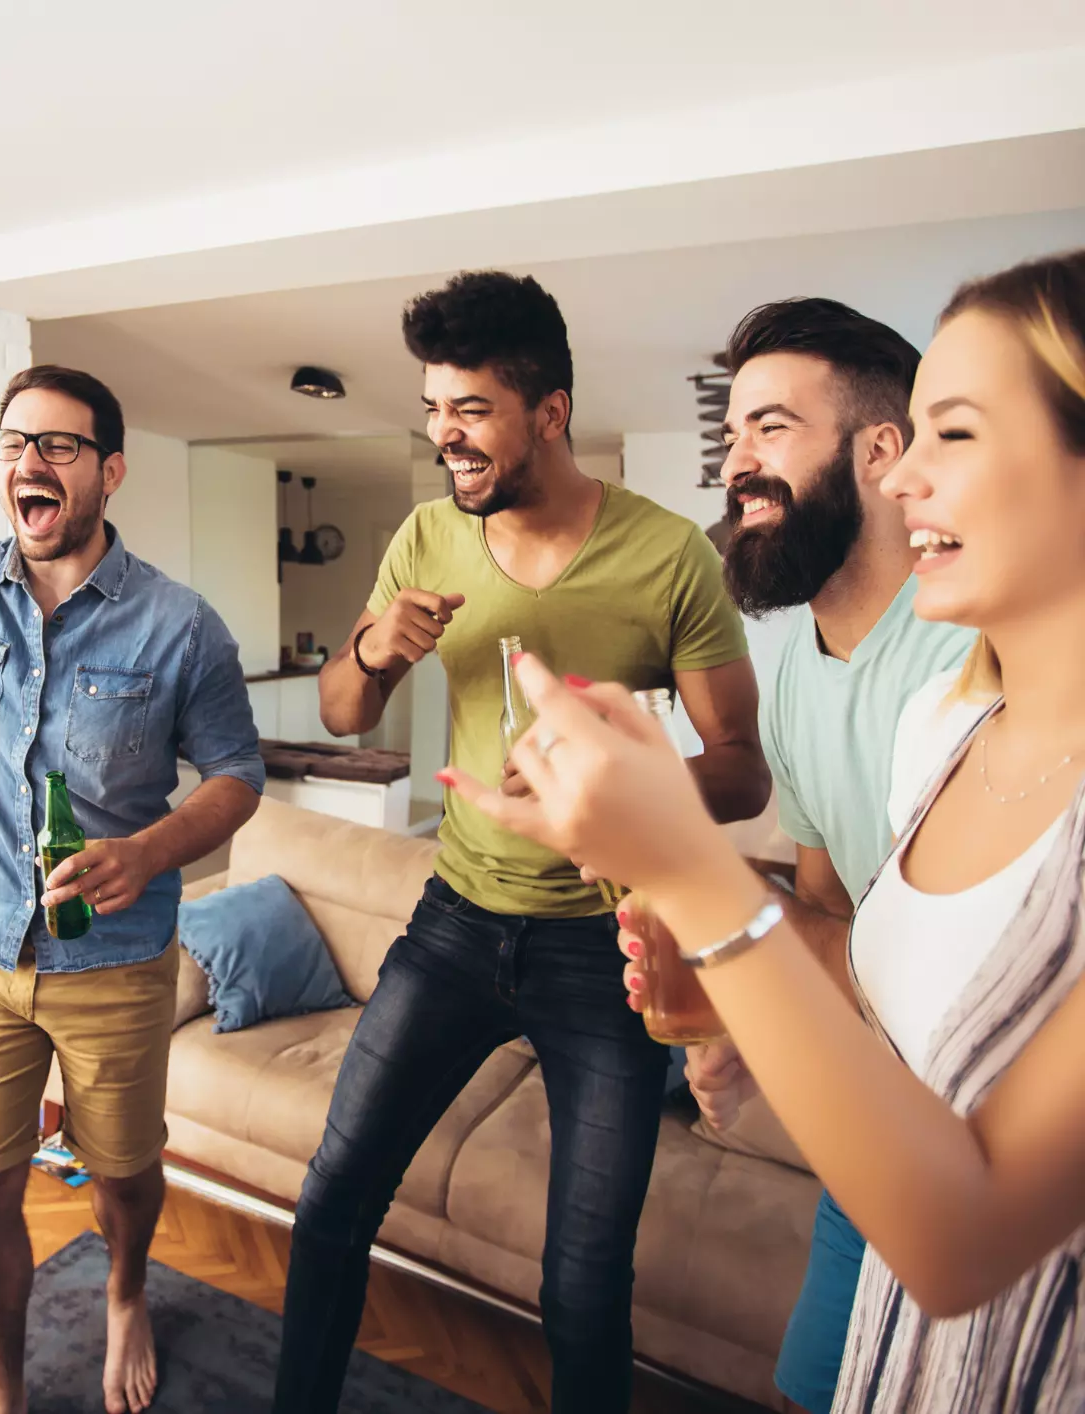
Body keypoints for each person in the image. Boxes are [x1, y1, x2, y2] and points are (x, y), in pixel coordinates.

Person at [444, 247, 1085, 1412]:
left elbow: (968, 1235)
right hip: (881, 1198)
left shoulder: (950, 679)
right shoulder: (946, 731)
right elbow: (853, 938)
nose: (906, 484)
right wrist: (730, 999)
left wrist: (690, 875)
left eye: (955, 432)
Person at [280, 270, 770, 1414]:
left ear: (547, 411)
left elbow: (740, 768)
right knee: (334, 1194)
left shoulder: (666, 558)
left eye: (470, 410)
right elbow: (343, 714)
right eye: (432, 408)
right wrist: (371, 652)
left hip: (600, 950)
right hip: (451, 923)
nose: (443, 435)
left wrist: (612, 784)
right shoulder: (421, 537)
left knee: (582, 1283)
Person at [0, 364, 263, 1414]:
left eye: (58, 446)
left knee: (123, 1172)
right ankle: (0, 1393)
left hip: (118, 960)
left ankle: (127, 1286)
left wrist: (148, 851)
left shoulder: (179, 626)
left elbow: (236, 777)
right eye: (10, 442)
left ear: (110, 471)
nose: (27, 463)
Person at [679, 298, 977, 1414]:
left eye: (767, 428)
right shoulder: (795, 669)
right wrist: (751, 1026)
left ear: (879, 450)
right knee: (815, 1388)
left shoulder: (974, 651)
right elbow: (826, 908)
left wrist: (682, 871)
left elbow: (932, 963)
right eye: (729, 437)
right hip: (874, 1127)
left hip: (991, 1141)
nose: (734, 463)